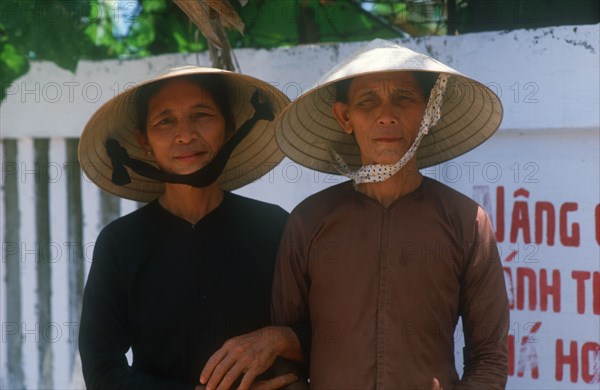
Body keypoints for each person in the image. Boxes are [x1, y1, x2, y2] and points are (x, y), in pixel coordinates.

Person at [201, 40, 509, 390]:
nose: (387, 114)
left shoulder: (467, 221)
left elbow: (490, 356)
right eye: (367, 101)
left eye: (404, 98)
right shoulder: (309, 221)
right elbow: (286, 350)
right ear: (344, 117)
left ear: (428, 110)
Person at [78, 66, 301, 389]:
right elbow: (101, 371)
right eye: (165, 121)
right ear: (144, 142)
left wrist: (277, 339)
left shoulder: (274, 227)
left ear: (230, 127)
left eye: (202, 114)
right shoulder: (121, 243)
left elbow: (325, 332)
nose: (185, 135)